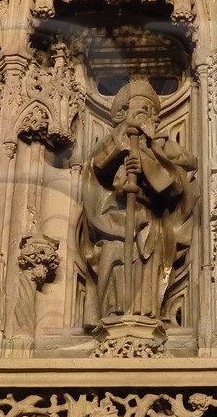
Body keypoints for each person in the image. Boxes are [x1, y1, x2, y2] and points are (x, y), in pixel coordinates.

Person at [77, 79, 197, 326]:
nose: (148, 116)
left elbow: (176, 187)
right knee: (115, 256)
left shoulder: (162, 146)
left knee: (146, 256)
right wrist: (123, 152)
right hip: (114, 220)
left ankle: (143, 316)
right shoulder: (113, 140)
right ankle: (115, 314)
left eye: (152, 112)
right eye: (142, 109)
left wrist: (146, 164)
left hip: (150, 220)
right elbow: (98, 167)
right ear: (124, 113)